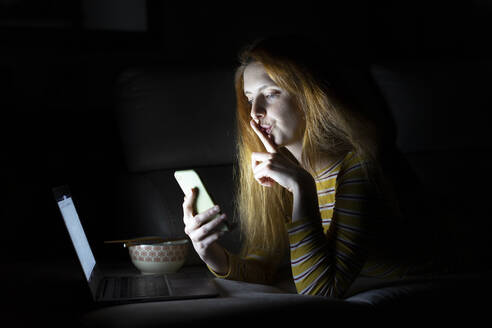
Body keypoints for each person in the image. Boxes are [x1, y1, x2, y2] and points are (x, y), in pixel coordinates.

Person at [181, 36, 438, 299]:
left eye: (271, 93)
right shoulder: (282, 169)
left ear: (308, 95)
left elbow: (320, 293)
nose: (255, 112)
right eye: (249, 99)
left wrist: (302, 187)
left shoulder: (359, 165)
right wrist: (211, 254)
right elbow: (262, 269)